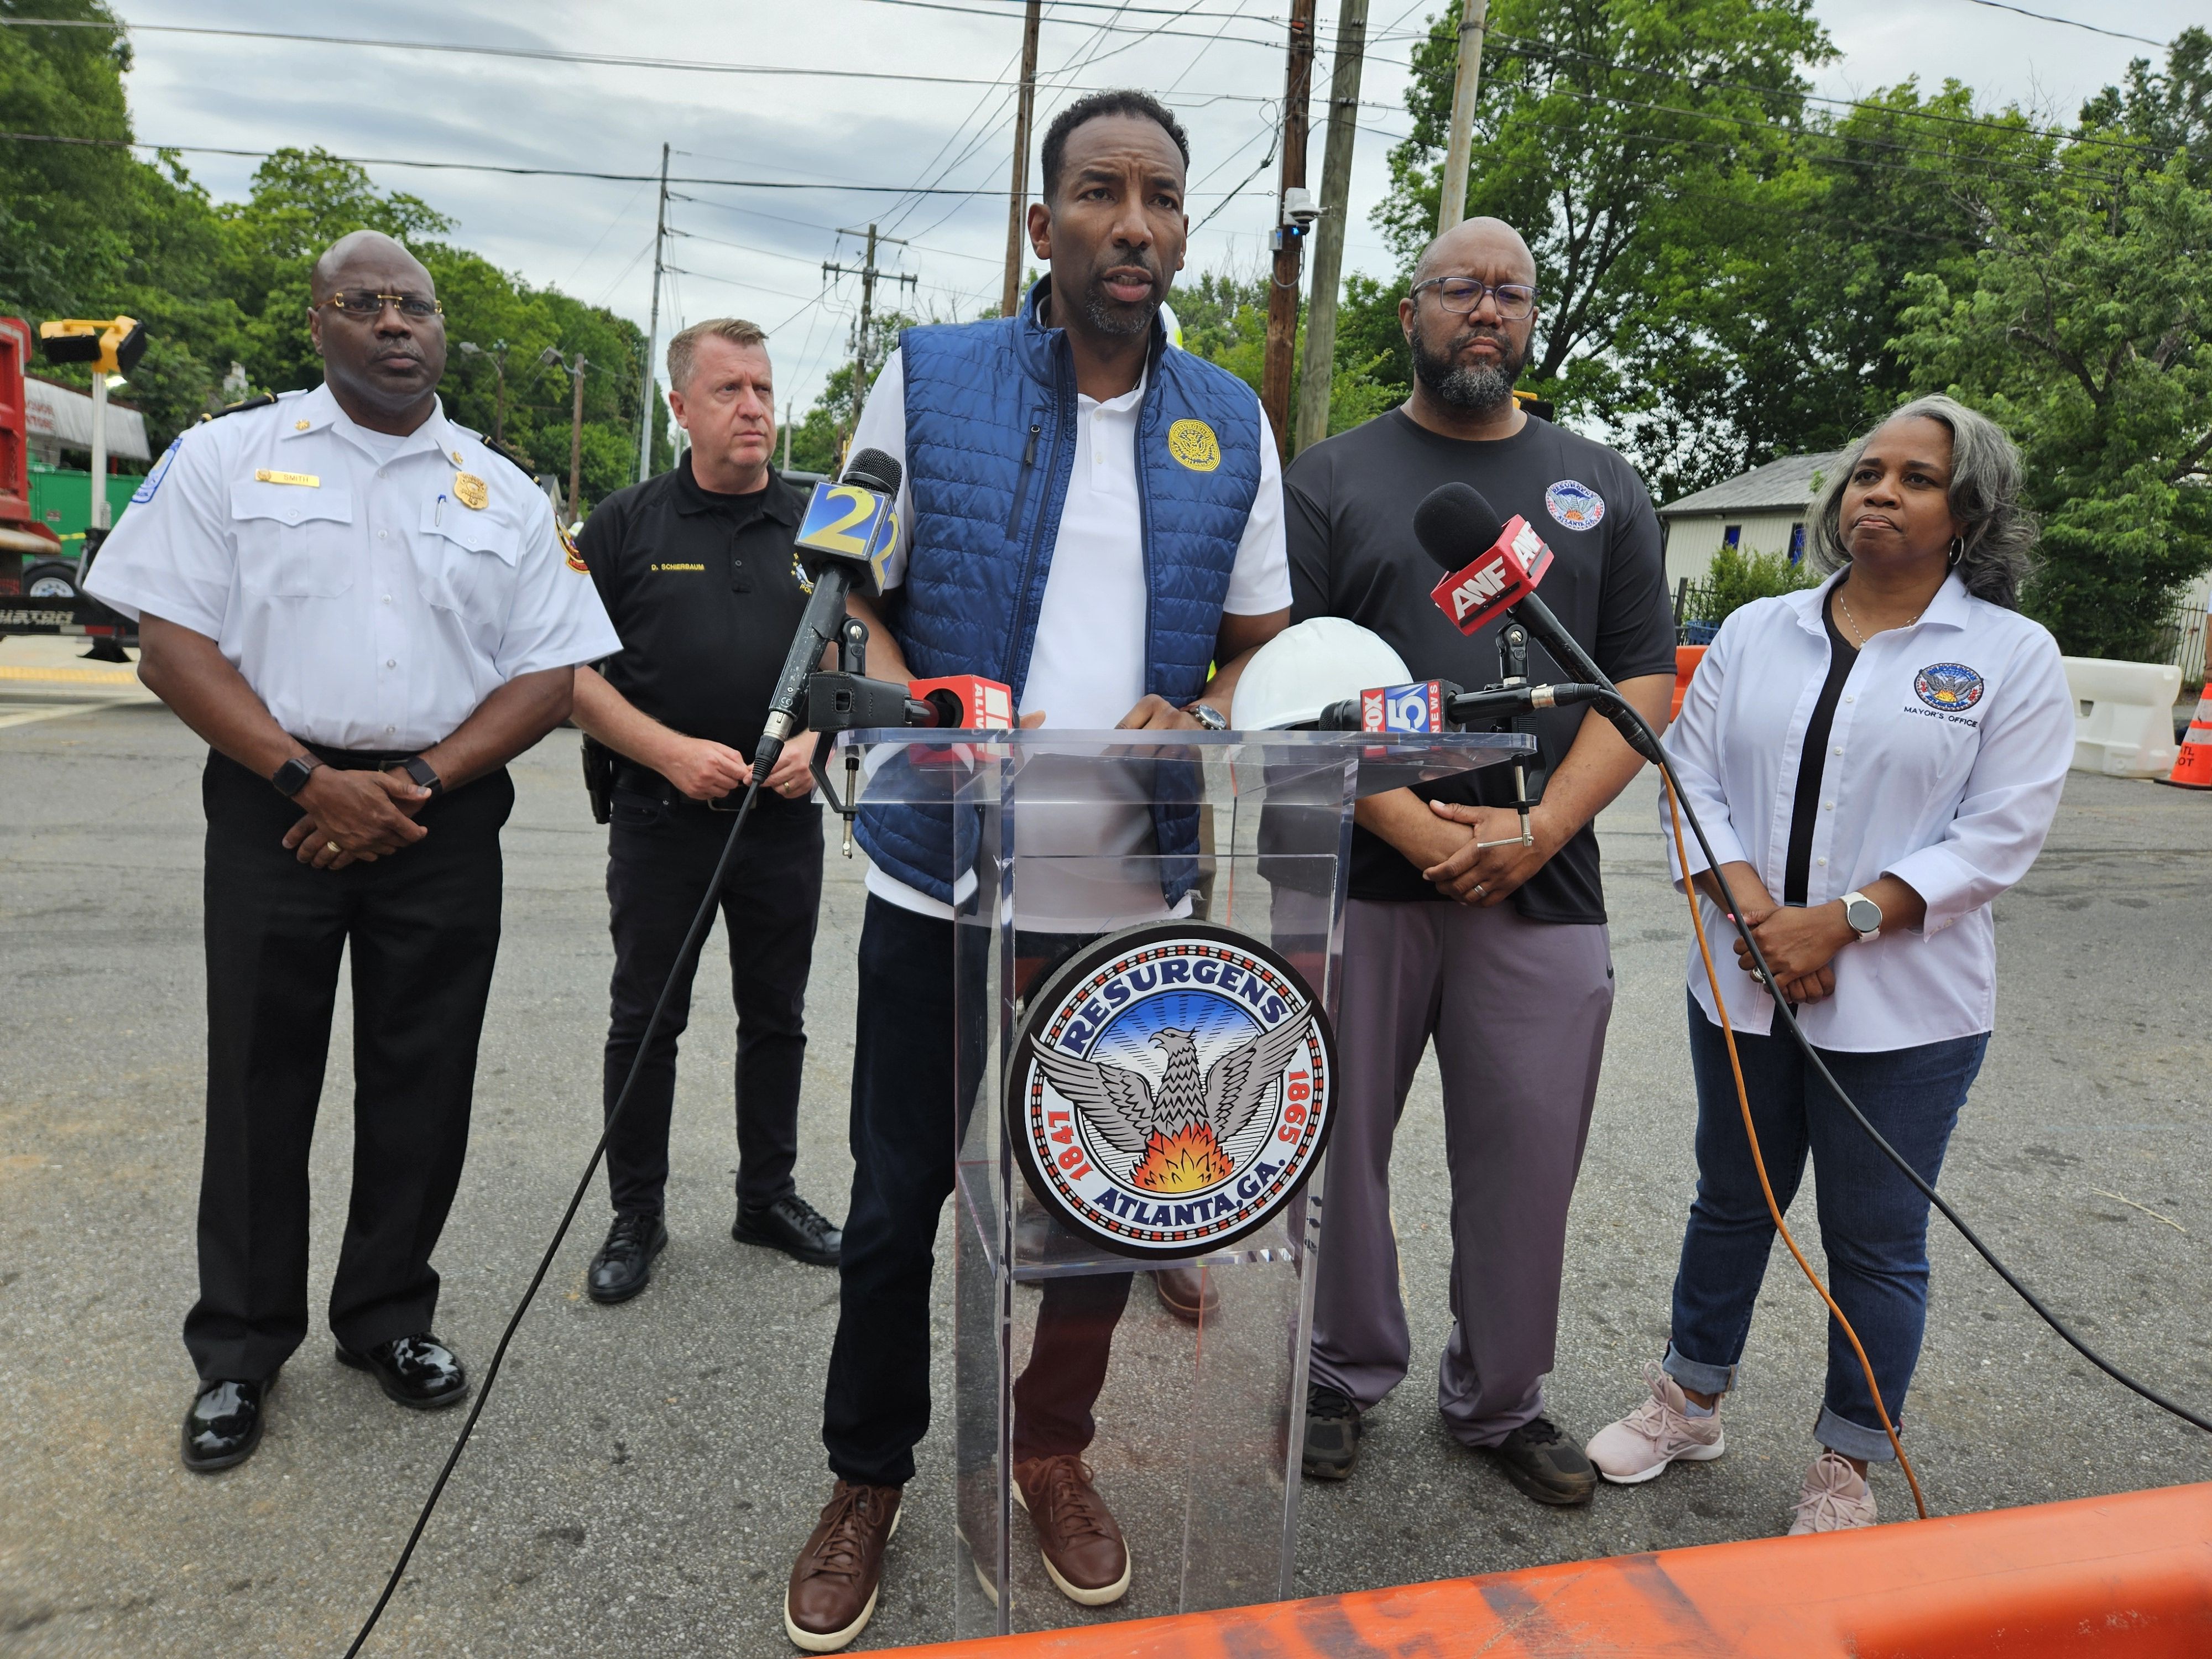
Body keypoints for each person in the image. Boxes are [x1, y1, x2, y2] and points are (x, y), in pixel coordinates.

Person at [781, 90, 1290, 1652]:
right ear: (1041, 223)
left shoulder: (1229, 419)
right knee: (896, 1197)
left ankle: (1053, 1448)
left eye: (1160, 198)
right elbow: (844, 580)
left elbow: (1263, 642)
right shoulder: (928, 377)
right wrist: (924, 706)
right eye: (1100, 192)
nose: (1132, 222)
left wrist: (1198, 706)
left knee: (1113, 1200)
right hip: (943, 872)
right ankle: (868, 1473)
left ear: (1181, 229)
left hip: (1129, 891)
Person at [82, 231, 623, 1472]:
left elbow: (551, 671)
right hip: (276, 807)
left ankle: (387, 1316)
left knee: (423, 1077)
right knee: (260, 1081)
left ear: (441, 333)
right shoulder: (228, 457)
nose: (397, 324)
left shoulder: (501, 488)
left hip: (442, 813)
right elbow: (172, 649)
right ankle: (239, 1349)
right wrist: (309, 780)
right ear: (319, 324)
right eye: (366, 304)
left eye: (417, 307)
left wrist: (416, 782)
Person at [1584, 395, 2073, 1532]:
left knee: (1873, 1241)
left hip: (1906, 1013)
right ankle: (1687, 1401)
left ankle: (1845, 1463)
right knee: (1730, 1203)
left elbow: (1999, 833)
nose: (1877, 492)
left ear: (1966, 513)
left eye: (1912, 478)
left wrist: (1840, 922)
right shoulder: (1761, 629)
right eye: (1865, 472)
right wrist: (1759, 916)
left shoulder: (2006, 657)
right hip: (1741, 984)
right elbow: (1688, 778)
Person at [1282, 216, 1677, 1505]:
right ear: (1411, 312)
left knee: (1525, 1152)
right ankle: (1338, 1370)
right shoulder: (1328, 478)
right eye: (1458, 287)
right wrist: (1402, 822)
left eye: (1508, 291)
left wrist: (1538, 829)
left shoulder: (1600, 485)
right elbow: (1274, 674)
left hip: (1539, 872)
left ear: (1529, 319)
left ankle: (1500, 1399)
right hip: (1358, 867)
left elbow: (1637, 680)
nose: (1484, 310)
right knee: (1333, 1139)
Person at [570, 319, 843, 1303]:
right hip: (660, 819)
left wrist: (819, 743)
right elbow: (566, 677)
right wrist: (669, 753)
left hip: (779, 824)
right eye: (729, 391)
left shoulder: (823, 526)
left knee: (778, 1018)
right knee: (647, 1020)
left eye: (765, 390)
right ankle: (636, 1212)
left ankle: (765, 1198)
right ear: (680, 408)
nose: (755, 410)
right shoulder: (624, 525)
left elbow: (848, 660)